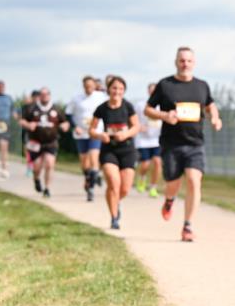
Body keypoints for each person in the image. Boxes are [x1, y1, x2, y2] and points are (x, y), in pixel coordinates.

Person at [144, 46, 222, 242]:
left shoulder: (202, 85)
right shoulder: (165, 85)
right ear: (176, 62)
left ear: (194, 63)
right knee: (173, 184)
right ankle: (169, 200)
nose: (185, 64)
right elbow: (148, 109)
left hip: (195, 144)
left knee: (194, 181)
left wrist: (215, 118)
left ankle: (187, 226)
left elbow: (210, 105)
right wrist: (164, 115)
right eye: (181, 60)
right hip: (171, 144)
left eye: (188, 60)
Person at [90, 76, 140, 229]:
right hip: (109, 149)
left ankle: (116, 201)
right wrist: (100, 135)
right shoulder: (101, 108)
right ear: (108, 89)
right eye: (114, 88)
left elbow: (136, 127)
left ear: (124, 91)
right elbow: (91, 130)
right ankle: (114, 218)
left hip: (127, 149)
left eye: (120, 89)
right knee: (113, 183)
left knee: (124, 188)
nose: (117, 91)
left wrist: (125, 134)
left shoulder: (128, 106)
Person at [20, 87, 70, 198]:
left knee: (49, 164)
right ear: (39, 96)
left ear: (49, 95)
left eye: (46, 94)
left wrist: (64, 126)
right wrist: (28, 125)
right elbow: (21, 120)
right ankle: (36, 179)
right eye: (42, 94)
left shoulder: (56, 108)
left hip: (51, 142)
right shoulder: (31, 108)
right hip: (36, 142)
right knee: (37, 167)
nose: (44, 96)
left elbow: (65, 122)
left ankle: (47, 188)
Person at [65, 76, 109, 202]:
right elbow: (68, 114)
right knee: (84, 163)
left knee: (94, 157)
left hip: (95, 132)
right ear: (83, 86)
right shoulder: (76, 98)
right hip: (81, 133)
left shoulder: (101, 97)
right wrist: (75, 127)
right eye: (86, 86)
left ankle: (91, 188)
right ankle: (89, 178)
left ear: (95, 86)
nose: (88, 88)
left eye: (90, 86)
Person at [134, 82, 163, 197]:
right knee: (145, 164)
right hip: (143, 140)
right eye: (151, 90)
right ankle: (141, 178)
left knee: (157, 162)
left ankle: (153, 187)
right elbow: (133, 118)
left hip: (157, 140)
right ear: (148, 91)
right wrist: (139, 127)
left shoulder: (162, 105)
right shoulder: (141, 105)